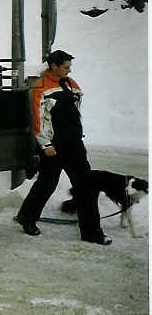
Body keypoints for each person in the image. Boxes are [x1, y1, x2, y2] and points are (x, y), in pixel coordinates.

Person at [14, 50, 112, 245]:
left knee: (85, 186)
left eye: (69, 67)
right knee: (47, 184)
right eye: (66, 67)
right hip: (54, 147)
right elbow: (37, 120)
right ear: (54, 66)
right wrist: (46, 144)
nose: (70, 70)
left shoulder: (70, 83)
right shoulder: (40, 87)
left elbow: (76, 109)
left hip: (75, 145)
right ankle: (27, 217)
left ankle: (91, 232)